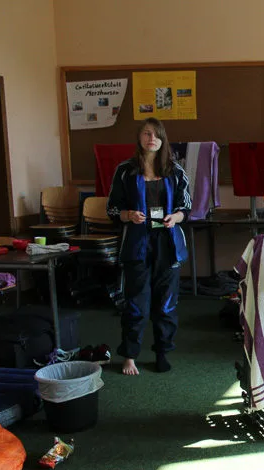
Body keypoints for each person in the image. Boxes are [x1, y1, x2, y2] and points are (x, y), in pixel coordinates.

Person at [107, 118, 191, 376]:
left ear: (163, 139)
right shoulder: (125, 171)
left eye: (156, 134)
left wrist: (174, 218)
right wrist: (129, 215)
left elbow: (186, 208)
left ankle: (162, 352)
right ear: (139, 138)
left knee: (166, 304)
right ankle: (130, 355)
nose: (151, 138)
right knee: (136, 304)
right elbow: (112, 209)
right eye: (146, 133)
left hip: (168, 244)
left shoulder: (176, 171)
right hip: (137, 244)